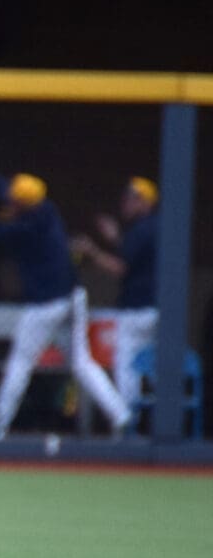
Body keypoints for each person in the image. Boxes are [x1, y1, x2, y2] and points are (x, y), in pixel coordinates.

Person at [0, 144, 128, 441]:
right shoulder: (46, 208)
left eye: (15, 199)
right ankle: (121, 415)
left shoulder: (24, 228)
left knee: (20, 364)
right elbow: (1, 189)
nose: (9, 198)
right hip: (73, 297)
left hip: (47, 305)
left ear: (23, 204)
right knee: (81, 362)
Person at [71, 176, 159, 414]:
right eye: (127, 197)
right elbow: (132, 255)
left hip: (138, 309)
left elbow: (120, 267)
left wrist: (92, 251)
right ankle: (161, 417)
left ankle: (128, 418)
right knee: (154, 368)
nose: (126, 203)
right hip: (155, 308)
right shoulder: (153, 226)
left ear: (146, 202)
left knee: (127, 365)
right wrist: (114, 238)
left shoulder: (142, 229)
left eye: (133, 199)